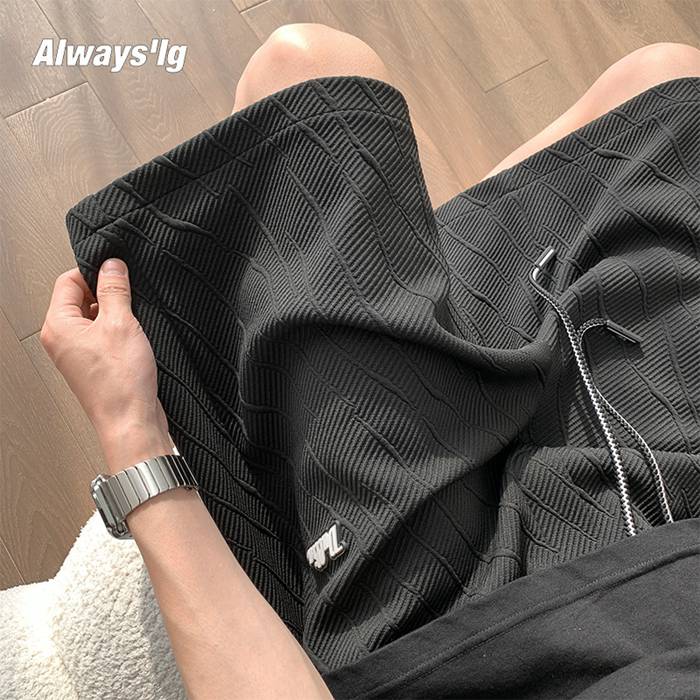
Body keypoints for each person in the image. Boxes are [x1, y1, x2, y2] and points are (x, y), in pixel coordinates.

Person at [40, 25, 700, 700]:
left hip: (438, 632)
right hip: (676, 542)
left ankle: (406, 281)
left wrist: (131, 431)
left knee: (305, 69)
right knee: (665, 81)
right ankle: (416, 277)